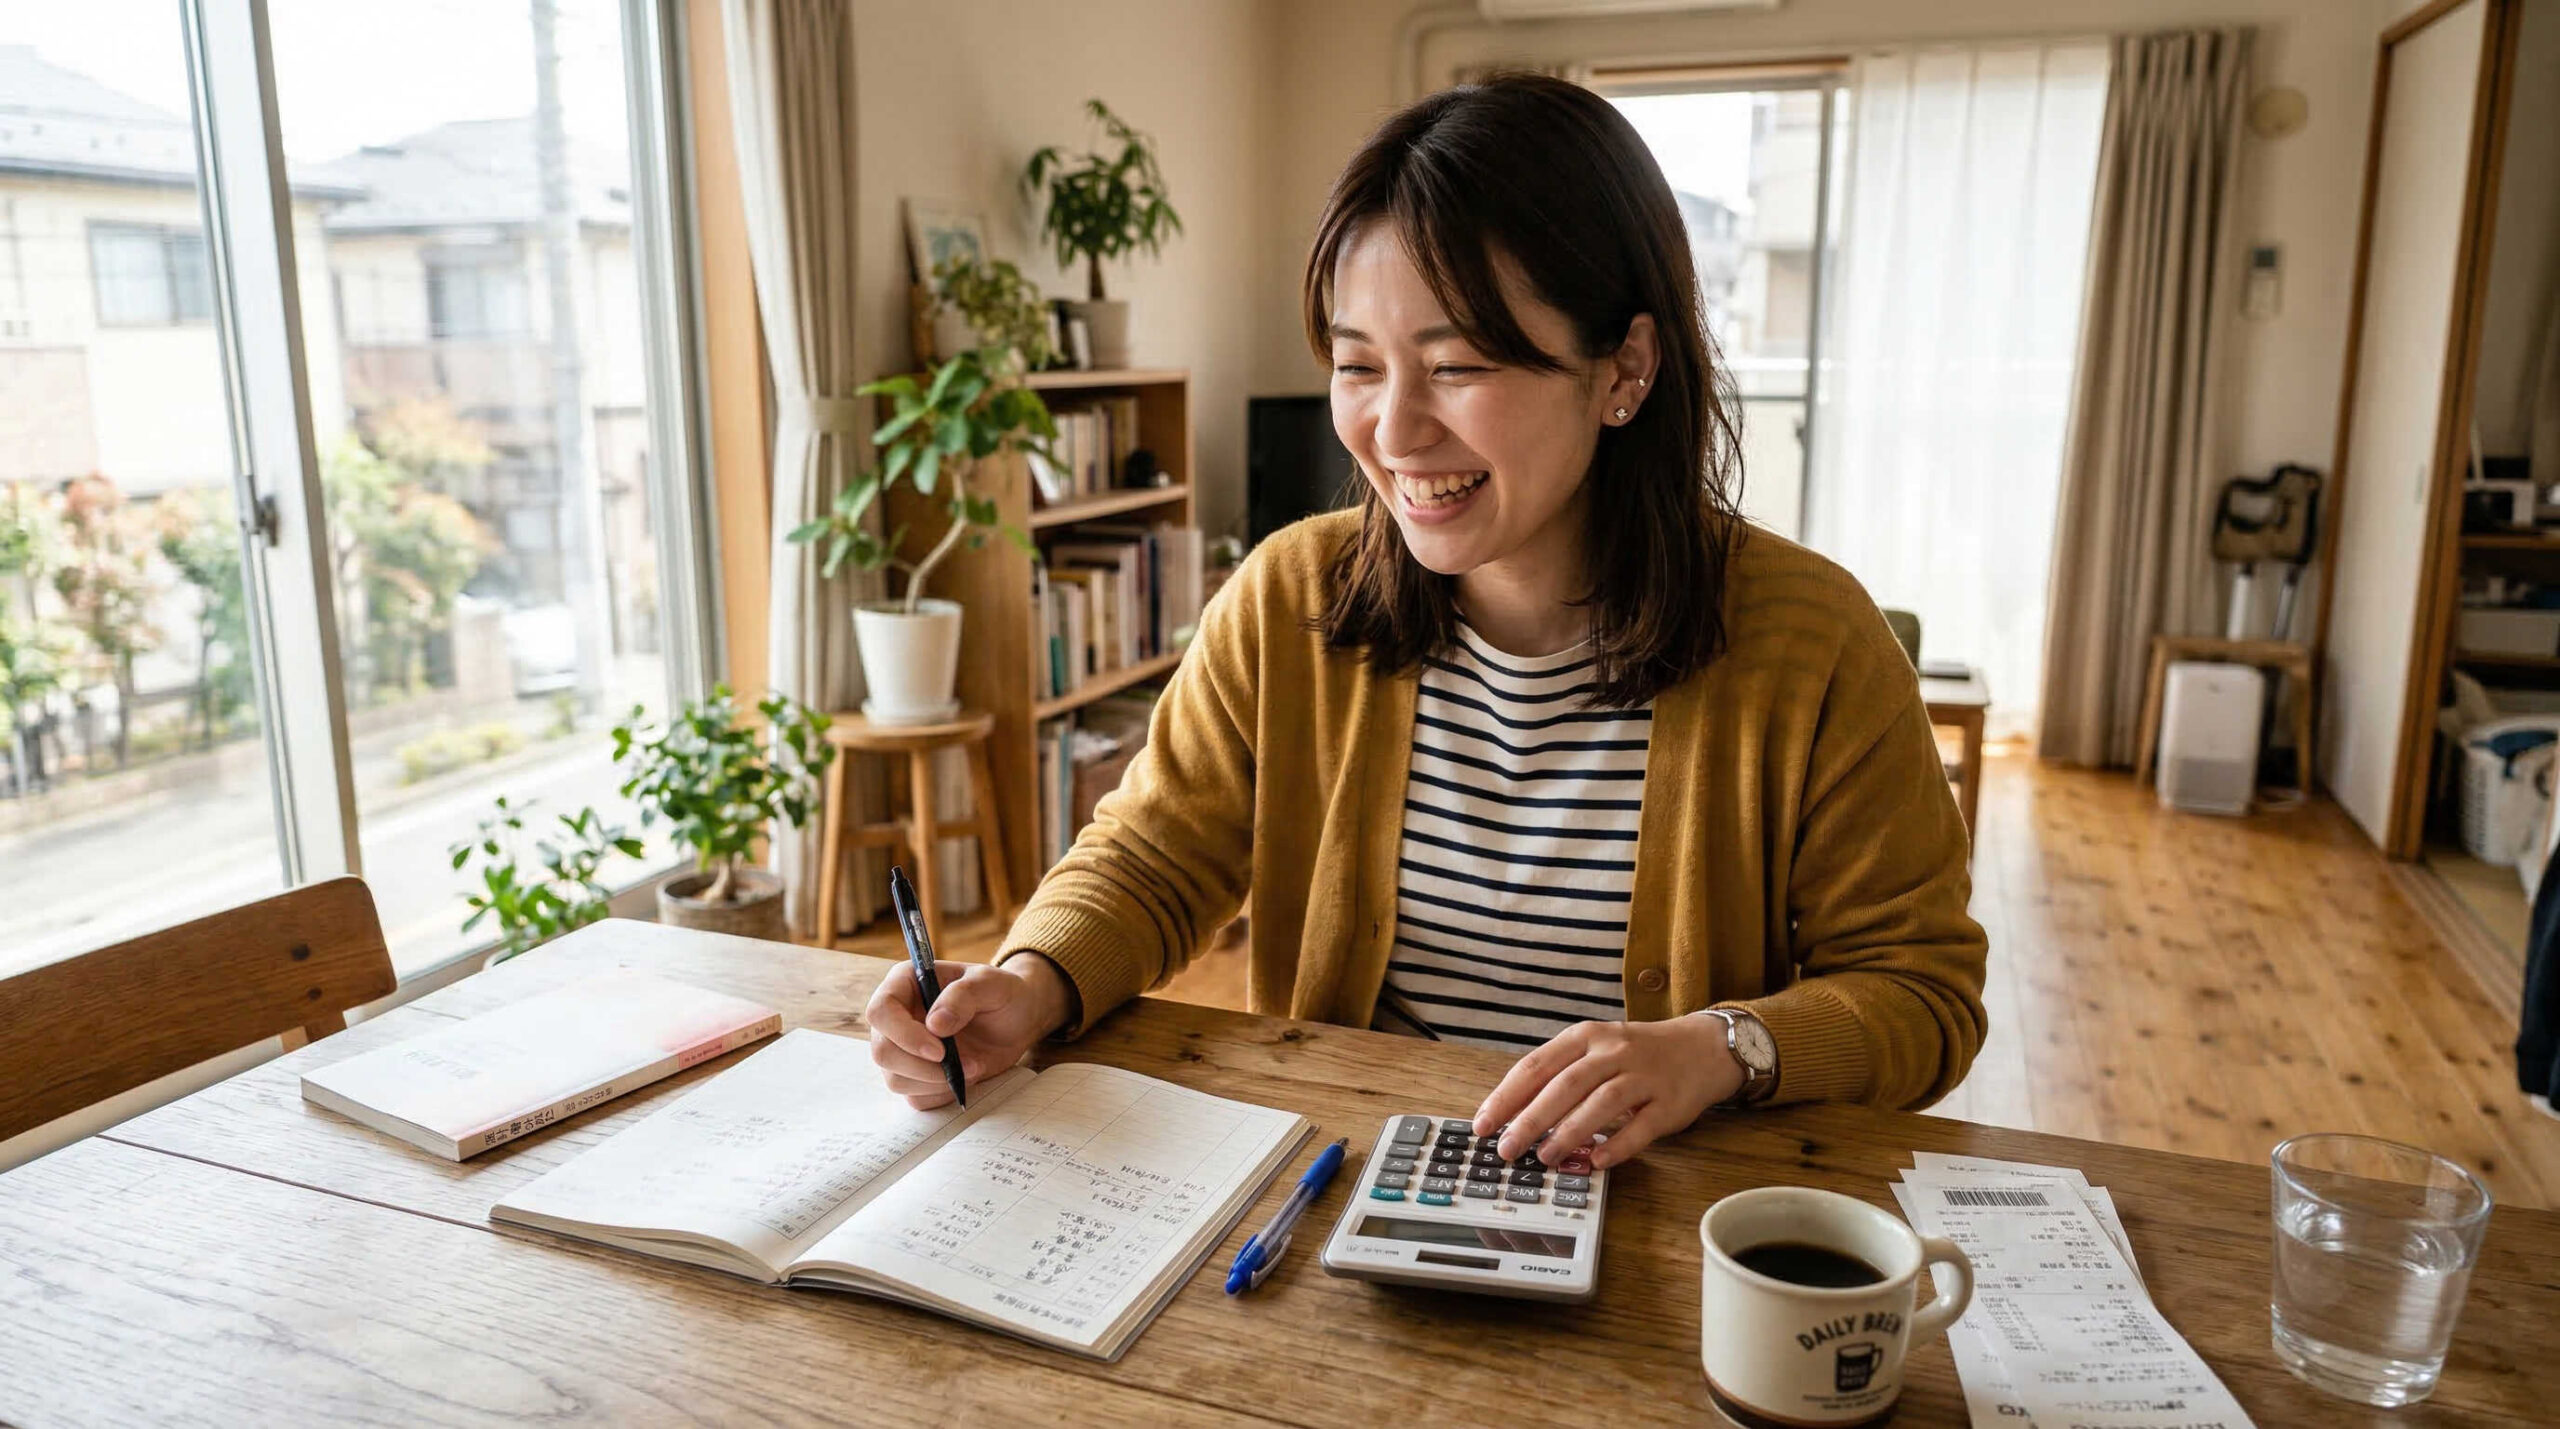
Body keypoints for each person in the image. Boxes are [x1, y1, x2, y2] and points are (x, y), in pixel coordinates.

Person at [868, 74, 1987, 1173]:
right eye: (1357, 365)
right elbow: (1153, 859)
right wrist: (1027, 982)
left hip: (1672, 1226)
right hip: (1344, 1187)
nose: (1393, 430)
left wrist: (1724, 1047)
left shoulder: (1816, 642)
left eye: (1457, 366)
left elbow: (1922, 993)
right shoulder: (1288, 599)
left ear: (1624, 370)